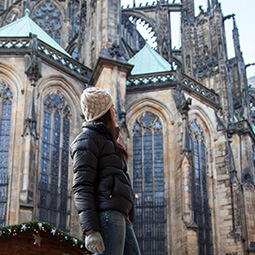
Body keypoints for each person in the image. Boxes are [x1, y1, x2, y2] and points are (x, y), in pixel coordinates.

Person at [70, 87, 141, 255]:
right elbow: (82, 187)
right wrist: (91, 231)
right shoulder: (86, 140)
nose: (115, 112)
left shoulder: (106, 141)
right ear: (104, 112)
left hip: (119, 213)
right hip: (108, 214)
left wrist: (129, 211)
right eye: (112, 108)